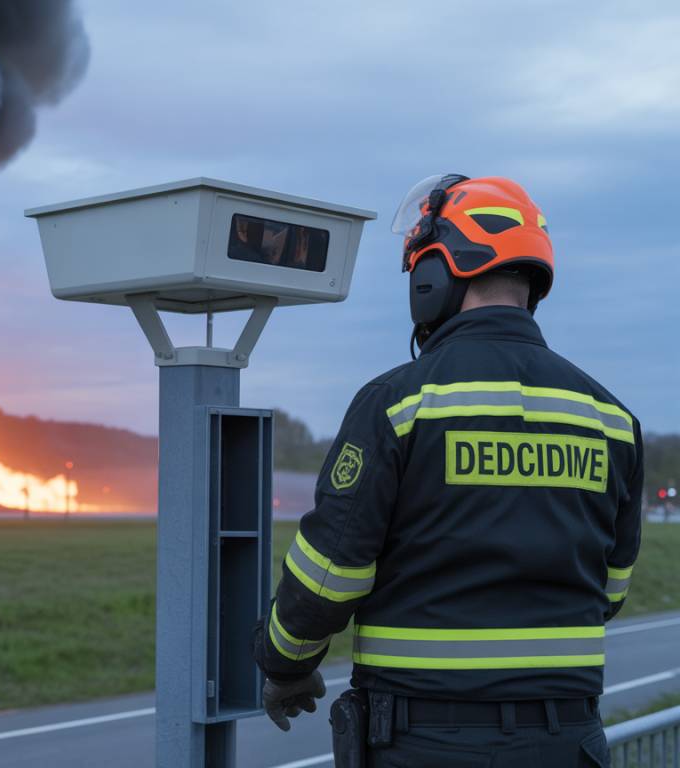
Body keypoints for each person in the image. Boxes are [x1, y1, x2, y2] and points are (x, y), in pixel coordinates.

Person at [252, 174, 643, 767]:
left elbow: (330, 575)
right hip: (570, 743)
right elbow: (610, 591)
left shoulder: (400, 404)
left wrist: (285, 662)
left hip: (429, 742)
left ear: (433, 274)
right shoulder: (611, 419)